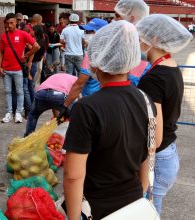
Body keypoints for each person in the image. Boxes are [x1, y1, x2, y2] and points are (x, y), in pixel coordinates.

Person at [63, 20, 153, 220]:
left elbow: (73, 176)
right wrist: (141, 194)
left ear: (98, 60)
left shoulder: (86, 108)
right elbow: (146, 156)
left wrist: (74, 217)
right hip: (134, 203)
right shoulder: (146, 100)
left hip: (98, 207)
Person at [136, 14, 193, 216]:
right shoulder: (172, 67)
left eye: (140, 36)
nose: (138, 41)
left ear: (152, 39)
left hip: (158, 158)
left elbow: (155, 137)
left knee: (149, 209)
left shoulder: (153, 78)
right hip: (169, 151)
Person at [0, 13, 40, 123]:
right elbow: (1, 52)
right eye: (8, 23)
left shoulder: (22, 34)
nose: (9, 25)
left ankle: (18, 113)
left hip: (18, 69)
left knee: (20, 91)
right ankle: (9, 113)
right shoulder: (4, 35)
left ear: (16, 22)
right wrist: (0, 67)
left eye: (12, 23)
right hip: (6, 70)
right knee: (8, 91)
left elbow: (36, 46)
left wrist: (26, 56)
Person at [62, 18, 109, 108]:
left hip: (90, 102)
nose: (86, 34)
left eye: (90, 31)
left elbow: (79, 84)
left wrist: (65, 106)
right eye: (86, 32)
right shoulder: (112, 52)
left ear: (102, 33)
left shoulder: (91, 54)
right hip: (105, 101)